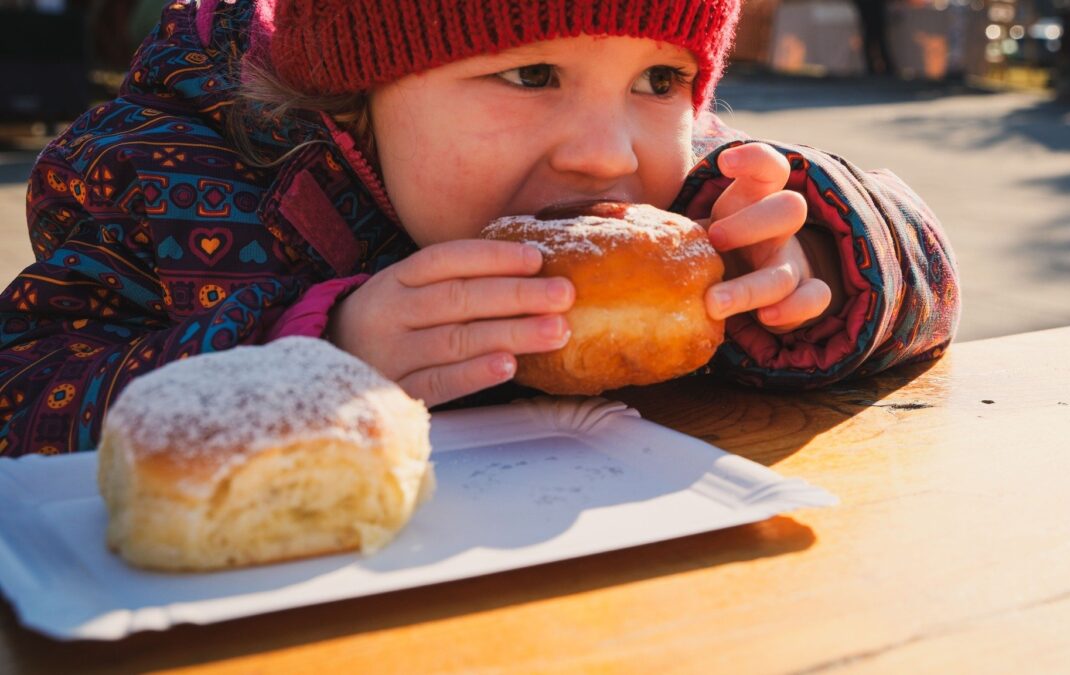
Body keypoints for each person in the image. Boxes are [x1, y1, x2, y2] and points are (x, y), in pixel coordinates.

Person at [0, 0, 959, 457]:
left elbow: (929, 272)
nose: (606, 152)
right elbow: (22, 395)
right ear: (357, 92)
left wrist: (817, 257)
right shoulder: (170, 181)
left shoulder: (699, 201)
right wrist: (315, 356)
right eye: (531, 74)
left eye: (658, 81)